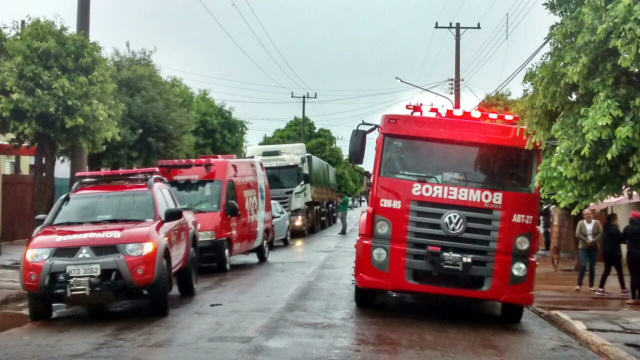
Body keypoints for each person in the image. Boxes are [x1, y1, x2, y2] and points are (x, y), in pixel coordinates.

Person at [596, 214, 629, 296]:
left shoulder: (606, 229)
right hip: (615, 254)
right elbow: (622, 239)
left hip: (606, 253)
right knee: (619, 272)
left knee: (607, 271)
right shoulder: (615, 230)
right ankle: (623, 289)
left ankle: (600, 288)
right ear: (614, 220)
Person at [575, 209, 602, 291]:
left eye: (589, 214)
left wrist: (593, 241)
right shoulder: (581, 223)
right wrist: (587, 240)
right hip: (583, 247)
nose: (588, 216)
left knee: (592, 266)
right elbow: (577, 234)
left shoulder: (597, 223)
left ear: (592, 214)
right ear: (583, 216)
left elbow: (600, 233)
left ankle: (591, 285)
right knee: (583, 265)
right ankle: (579, 283)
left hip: (594, 247)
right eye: (586, 214)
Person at [622, 210, 640, 305]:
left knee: (633, 275)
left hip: (632, 254)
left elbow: (622, 240)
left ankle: (633, 298)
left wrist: (629, 242)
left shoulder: (627, 228)